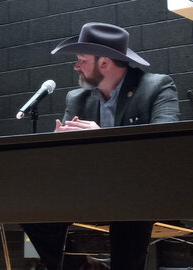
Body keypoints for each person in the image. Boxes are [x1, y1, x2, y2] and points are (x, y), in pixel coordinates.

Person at [22, 22, 179, 270]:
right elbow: (67, 162)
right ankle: (83, 266)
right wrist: (57, 144)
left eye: (81, 60)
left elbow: (164, 149)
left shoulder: (157, 87)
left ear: (104, 63)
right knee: (26, 204)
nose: (76, 66)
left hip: (141, 188)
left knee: (130, 206)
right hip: (91, 190)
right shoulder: (76, 98)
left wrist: (104, 137)